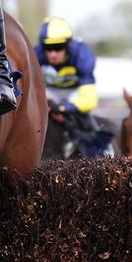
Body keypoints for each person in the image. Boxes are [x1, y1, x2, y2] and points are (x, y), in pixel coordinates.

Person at [35, 17, 112, 157]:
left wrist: (65, 107)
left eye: (58, 48)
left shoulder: (82, 55)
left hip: (75, 90)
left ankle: (103, 150)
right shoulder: (35, 54)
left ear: (68, 45)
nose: (53, 54)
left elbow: (89, 100)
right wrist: (44, 100)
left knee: (83, 116)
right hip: (49, 91)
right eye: (48, 48)